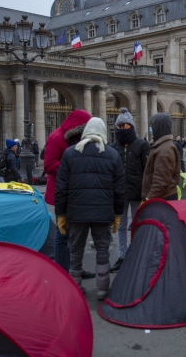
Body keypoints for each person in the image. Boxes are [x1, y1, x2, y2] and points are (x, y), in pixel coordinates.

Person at [55, 118, 125, 300]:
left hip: (76, 213)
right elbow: (119, 188)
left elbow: (61, 187)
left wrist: (60, 214)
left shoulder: (70, 153)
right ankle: (102, 288)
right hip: (103, 212)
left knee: (75, 249)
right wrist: (118, 213)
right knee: (102, 248)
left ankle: (76, 286)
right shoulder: (112, 154)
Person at [44, 109, 93, 275]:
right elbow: (49, 165)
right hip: (62, 192)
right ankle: (63, 271)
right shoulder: (56, 138)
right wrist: (73, 167)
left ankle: (75, 268)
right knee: (63, 233)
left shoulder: (76, 137)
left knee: (76, 233)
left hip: (76, 192)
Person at [107, 108, 150, 273]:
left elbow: (147, 170)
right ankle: (123, 255)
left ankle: (137, 253)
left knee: (138, 223)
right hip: (119, 192)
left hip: (137, 191)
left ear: (131, 126)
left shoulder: (141, 145)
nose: (120, 129)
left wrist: (146, 191)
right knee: (121, 225)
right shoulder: (112, 147)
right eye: (118, 126)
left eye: (124, 126)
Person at [142, 113, 181, 201]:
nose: (151, 128)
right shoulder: (161, 146)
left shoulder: (164, 150)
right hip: (163, 196)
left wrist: (149, 199)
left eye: (152, 126)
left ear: (159, 127)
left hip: (162, 198)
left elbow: (160, 181)